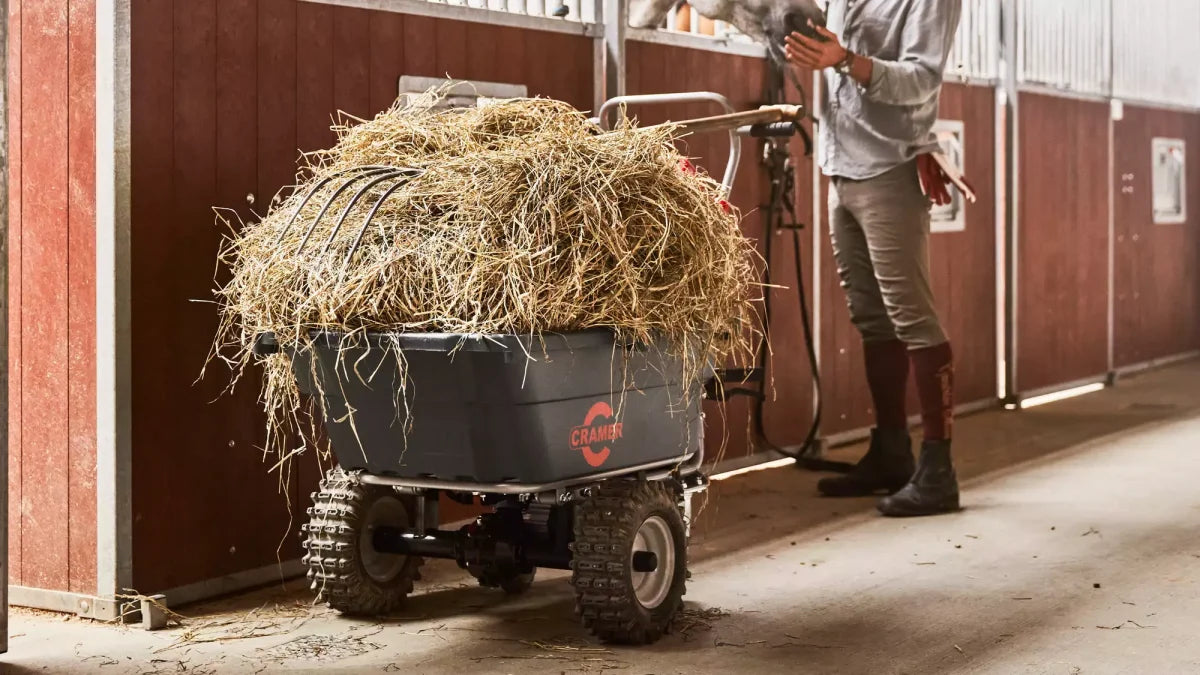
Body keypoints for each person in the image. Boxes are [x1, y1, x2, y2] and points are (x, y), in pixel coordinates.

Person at [785, 0, 964, 517]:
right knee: (872, 317)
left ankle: (939, 469)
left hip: (892, 164)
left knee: (912, 316)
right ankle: (891, 450)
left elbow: (922, 79)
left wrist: (844, 61)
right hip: (841, 164)